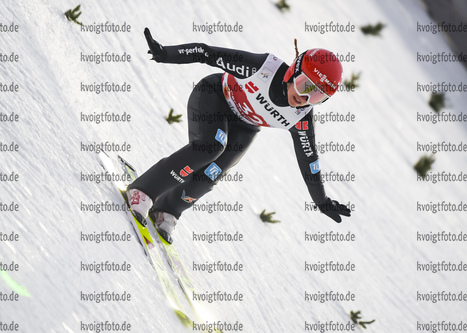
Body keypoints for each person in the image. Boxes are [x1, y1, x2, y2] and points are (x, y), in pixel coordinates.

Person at [126, 28, 351, 243]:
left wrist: (322, 202)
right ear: (293, 71)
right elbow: (207, 53)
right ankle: (143, 191)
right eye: (304, 86)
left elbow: (309, 161)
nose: (304, 98)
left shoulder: (301, 117)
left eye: (317, 96)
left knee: (213, 172)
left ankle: (168, 208)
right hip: (214, 96)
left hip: (245, 126)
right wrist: (166, 54)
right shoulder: (262, 69)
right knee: (211, 146)